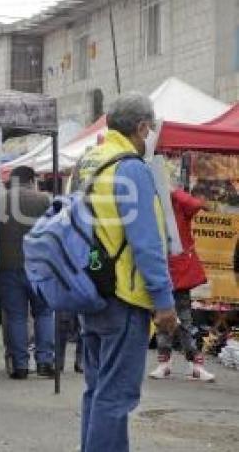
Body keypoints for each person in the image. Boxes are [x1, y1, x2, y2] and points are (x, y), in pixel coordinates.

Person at [77, 92, 177, 452]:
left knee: (97, 389)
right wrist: (164, 302)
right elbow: (146, 243)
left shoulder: (89, 161)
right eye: (150, 128)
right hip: (123, 296)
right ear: (141, 126)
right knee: (116, 396)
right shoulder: (131, 167)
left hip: (88, 289)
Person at [149, 188, 215, 382]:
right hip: (160, 270)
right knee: (162, 320)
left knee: (185, 321)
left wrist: (172, 191)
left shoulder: (178, 205)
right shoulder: (152, 205)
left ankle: (196, 364)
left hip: (180, 273)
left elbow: (196, 204)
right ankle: (164, 363)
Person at [0, 165, 53, 379]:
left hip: (8, 266)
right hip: (39, 266)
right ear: (31, 180)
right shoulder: (44, 200)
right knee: (44, 313)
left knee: (16, 317)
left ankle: (20, 366)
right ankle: (45, 362)